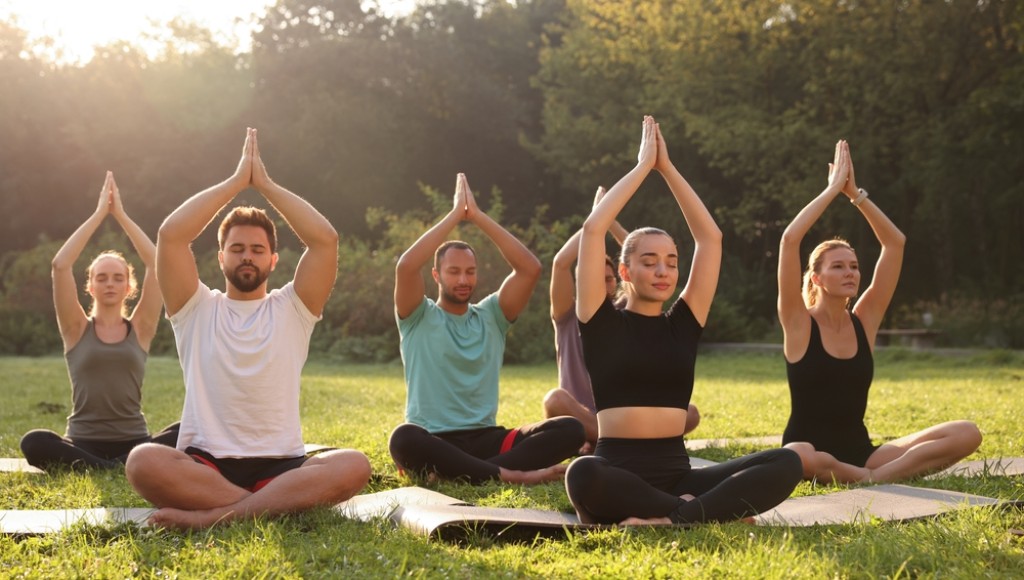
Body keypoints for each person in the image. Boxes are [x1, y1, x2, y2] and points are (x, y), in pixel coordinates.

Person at [125, 128, 370, 529]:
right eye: (237, 249)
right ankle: (273, 508)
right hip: (207, 464)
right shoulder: (194, 307)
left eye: (257, 250)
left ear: (274, 260)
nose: (247, 257)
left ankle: (214, 518)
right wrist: (237, 183)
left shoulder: (294, 308)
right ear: (220, 257)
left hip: (282, 465)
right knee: (142, 461)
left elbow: (325, 240)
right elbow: (171, 235)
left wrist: (266, 185)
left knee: (354, 464)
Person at [564, 116, 802, 525]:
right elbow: (592, 229)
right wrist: (642, 167)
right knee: (582, 473)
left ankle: (674, 515)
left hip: (678, 474)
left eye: (671, 263)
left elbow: (710, 239)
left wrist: (668, 169)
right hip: (616, 471)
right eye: (649, 262)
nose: (663, 271)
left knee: (786, 462)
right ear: (624, 272)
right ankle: (700, 512)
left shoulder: (683, 322)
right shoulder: (600, 320)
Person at [777, 139, 982, 484]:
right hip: (810, 453)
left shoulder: (864, 320)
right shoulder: (798, 322)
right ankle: (876, 477)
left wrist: (855, 194)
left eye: (854, 266)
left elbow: (895, 243)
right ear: (816, 278)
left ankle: (871, 477)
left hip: (862, 452)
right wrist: (830, 191)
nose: (850, 273)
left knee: (967, 433)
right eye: (839, 267)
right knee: (799, 455)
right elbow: (789, 240)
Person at [389, 173, 585, 485]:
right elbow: (406, 266)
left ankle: (465, 473)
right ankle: (509, 474)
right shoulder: (417, 316)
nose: (463, 280)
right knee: (403, 438)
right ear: (437, 275)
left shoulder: (492, 316)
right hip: (435, 440)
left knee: (570, 429)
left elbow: (530, 268)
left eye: (470, 272)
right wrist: (454, 216)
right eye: (454, 272)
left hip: (487, 440)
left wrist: (478, 217)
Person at [20, 172, 179, 470]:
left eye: (118, 278)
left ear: (129, 287)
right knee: (33, 441)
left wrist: (120, 215)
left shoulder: (141, 328)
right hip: (82, 441)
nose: (110, 284)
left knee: (189, 429)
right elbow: (60, 265)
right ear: (90, 286)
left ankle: (103, 465)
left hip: (135, 440)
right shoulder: (76, 329)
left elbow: (156, 262)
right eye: (101, 278)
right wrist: (98, 215)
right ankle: (117, 467)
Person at [543, 186, 700, 452]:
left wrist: (609, 220)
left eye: (608, 278)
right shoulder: (567, 315)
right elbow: (560, 263)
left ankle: (598, 439)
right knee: (554, 400)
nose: (602, 284)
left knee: (691, 412)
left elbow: (641, 256)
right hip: (582, 414)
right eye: (595, 279)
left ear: (619, 277)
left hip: (623, 413)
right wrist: (595, 221)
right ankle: (612, 437)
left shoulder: (623, 312)